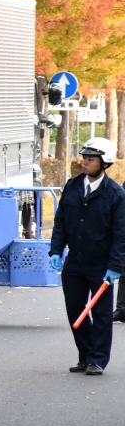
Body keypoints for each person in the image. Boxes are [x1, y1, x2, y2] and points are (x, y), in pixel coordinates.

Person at [49, 136, 125, 376]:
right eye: (84, 157)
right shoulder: (72, 186)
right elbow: (60, 221)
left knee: (101, 315)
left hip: (101, 265)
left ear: (105, 163)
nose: (85, 162)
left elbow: (121, 233)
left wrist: (115, 266)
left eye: (91, 159)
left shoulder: (115, 194)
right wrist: (55, 250)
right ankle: (85, 355)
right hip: (75, 263)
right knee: (75, 311)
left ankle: (97, 360)